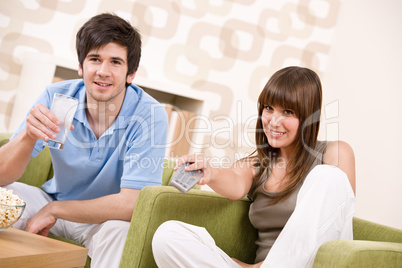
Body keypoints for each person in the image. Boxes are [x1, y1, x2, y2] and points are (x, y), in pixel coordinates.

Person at [0, 13, 168, 267]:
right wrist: (27, 135)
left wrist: (56, 211)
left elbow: (131, 204)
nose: (103, 71)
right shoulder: (57, 96)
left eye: (115, 62)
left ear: (130, 73)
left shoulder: (150, 114)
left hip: (103, 221)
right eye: (95, 59)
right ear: (81, 66)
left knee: (121, 234)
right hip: (52, 199)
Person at [152, 66, 356, 268]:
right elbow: (236, 181)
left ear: (309, 117)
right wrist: (211, 172)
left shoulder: (335, 154)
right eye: (269, 108)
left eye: (288, 111)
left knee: (329, 176)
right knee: (167, 235)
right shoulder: (256, 165)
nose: (274, 121)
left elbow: (334, 225)